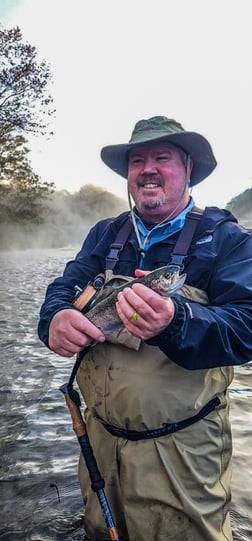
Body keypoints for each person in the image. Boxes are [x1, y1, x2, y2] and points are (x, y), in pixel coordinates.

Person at [38, 116, 252, 541]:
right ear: (129, 175)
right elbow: (64, 288)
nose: (148, 168)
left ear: (188, 169)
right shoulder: (106, 234)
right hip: (98, 440)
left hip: (184, 451)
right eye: (138, 160)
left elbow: (245, 326)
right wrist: (54, 319)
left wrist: (178, 320)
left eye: (162, 158)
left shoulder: (226, 238)